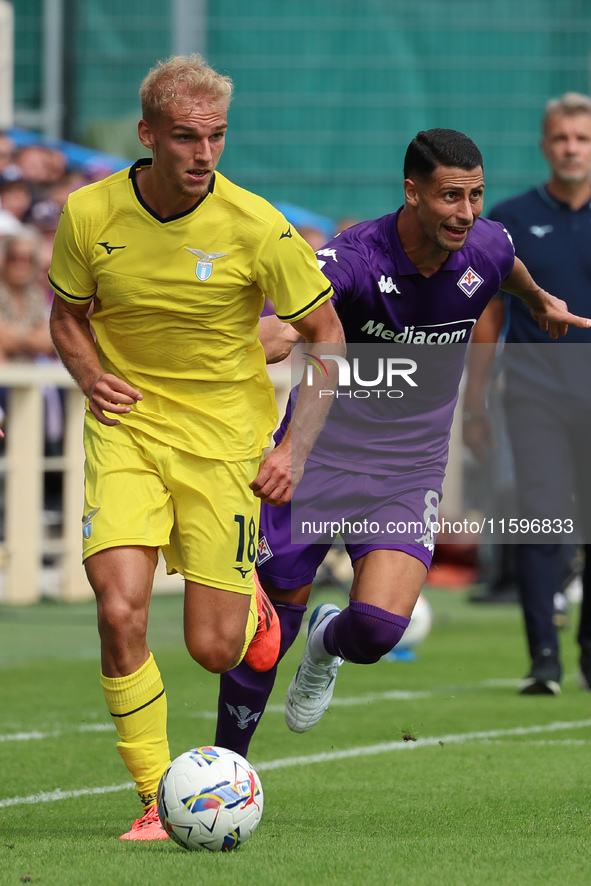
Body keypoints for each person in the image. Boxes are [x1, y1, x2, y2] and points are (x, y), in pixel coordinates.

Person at [213, 128, 591, 756]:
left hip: (407, 470)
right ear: (412, 193)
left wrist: (540, 300)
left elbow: (508, 267)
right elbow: (298, 318)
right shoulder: (356, 256)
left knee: (380, 629)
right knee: (270, 624)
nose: (466, 213)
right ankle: (229, 769)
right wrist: (269, 334)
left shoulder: (487, 246)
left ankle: (328, 642)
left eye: (475, 196)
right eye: (450, 197)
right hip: (316, 458)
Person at [48, 54, 344, 841]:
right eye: (185, 137)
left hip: (223, 448)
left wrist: (296, 451)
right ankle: (156, 795)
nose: (203, 153)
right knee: (118, 610)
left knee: (216, 650)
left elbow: (328, 339)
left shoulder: (254, 223)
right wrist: (88, 374)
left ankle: (259, 611)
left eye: (215, 136)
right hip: (128, 431)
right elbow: (67, 315)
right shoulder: (88, 214)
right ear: (147, 135)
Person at [462, 92, 591, 695]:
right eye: (561, 137)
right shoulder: (509, 222)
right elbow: (487, 318)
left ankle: (589, 653)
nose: (571, 148)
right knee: (542, 520)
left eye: (581, 138)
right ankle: (544, 660)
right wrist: (475, 403)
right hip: (534, 394)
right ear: (545, 145)